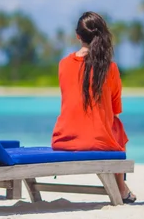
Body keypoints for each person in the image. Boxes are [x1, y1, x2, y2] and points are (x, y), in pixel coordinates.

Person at [51, 11, 136, 203]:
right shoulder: (110, 68)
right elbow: (115, 110)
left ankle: (122, 188)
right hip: (98, 142)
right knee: (117, 127)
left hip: (63, 139)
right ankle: (121, 189)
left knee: (112, 126)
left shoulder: (63, 64)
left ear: (78, 36)